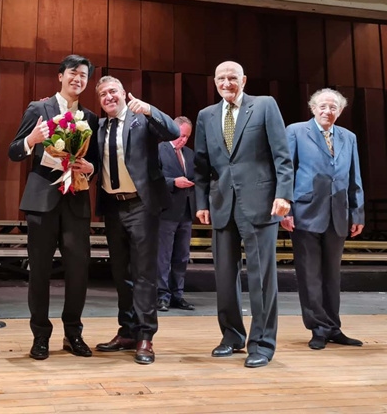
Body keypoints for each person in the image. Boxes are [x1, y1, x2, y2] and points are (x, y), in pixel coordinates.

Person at [193, 61, 293, 369]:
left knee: (262, 278)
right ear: (214, 81)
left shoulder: (264, 106)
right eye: (221, 78)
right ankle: (232, 336)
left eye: (232, 78)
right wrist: (201, 202)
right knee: (224, 276)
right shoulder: (206, 115)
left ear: (244, 80)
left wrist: (283, 194)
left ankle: (262, 343)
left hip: (260, 202)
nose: (226, 83)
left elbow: (282, 155)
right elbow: (201, 165)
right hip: (222, 203)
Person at [7, 54, 99, 361]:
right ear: (60, 76)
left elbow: (95, 162)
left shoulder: (90, 117)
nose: (78, 79)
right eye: (73, 73)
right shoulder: (39, 108)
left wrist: (90, 168)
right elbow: (13, 152)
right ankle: (40, 336)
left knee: (78, 271)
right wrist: (31, 139)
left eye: (83, 75)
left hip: (76, 203)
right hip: (42, 202)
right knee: (40, 272)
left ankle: (73, 333)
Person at [94, 76, 179, 365]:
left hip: (141, 205)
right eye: (103, 94)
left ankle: (145, 335)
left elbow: (173, 131)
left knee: (143, 274)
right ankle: (127, 331)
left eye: (113, 91)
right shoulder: (100, 126)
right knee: (121, 273)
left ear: (124, 93)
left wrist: (150, 110)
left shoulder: (141, 119)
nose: (108, 97)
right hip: (113, 206)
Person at [282, 89, 364, 350]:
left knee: (332, 275)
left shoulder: (348, 137)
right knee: (310, 275)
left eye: (333, 107)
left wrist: (357, 212)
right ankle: (318, 327)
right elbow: (285, 171)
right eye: (323, 106)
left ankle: (333, 327)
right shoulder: (296, 131)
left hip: (338, 213)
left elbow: (354, 177)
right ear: (313, 108)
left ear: (340, 111)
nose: (328, 111)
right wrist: (285, 210)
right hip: (305, 212)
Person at [156, 116, 196, 312]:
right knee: (163, 256)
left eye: (187, 137)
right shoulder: (159, 150)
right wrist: (173, 182)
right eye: (181, 135)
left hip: (186, 212)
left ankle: (177, 295)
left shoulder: (190, 154)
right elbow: (152, 179)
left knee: (181, 256)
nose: (184, 140)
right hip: (166, 211)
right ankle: (161, 295)